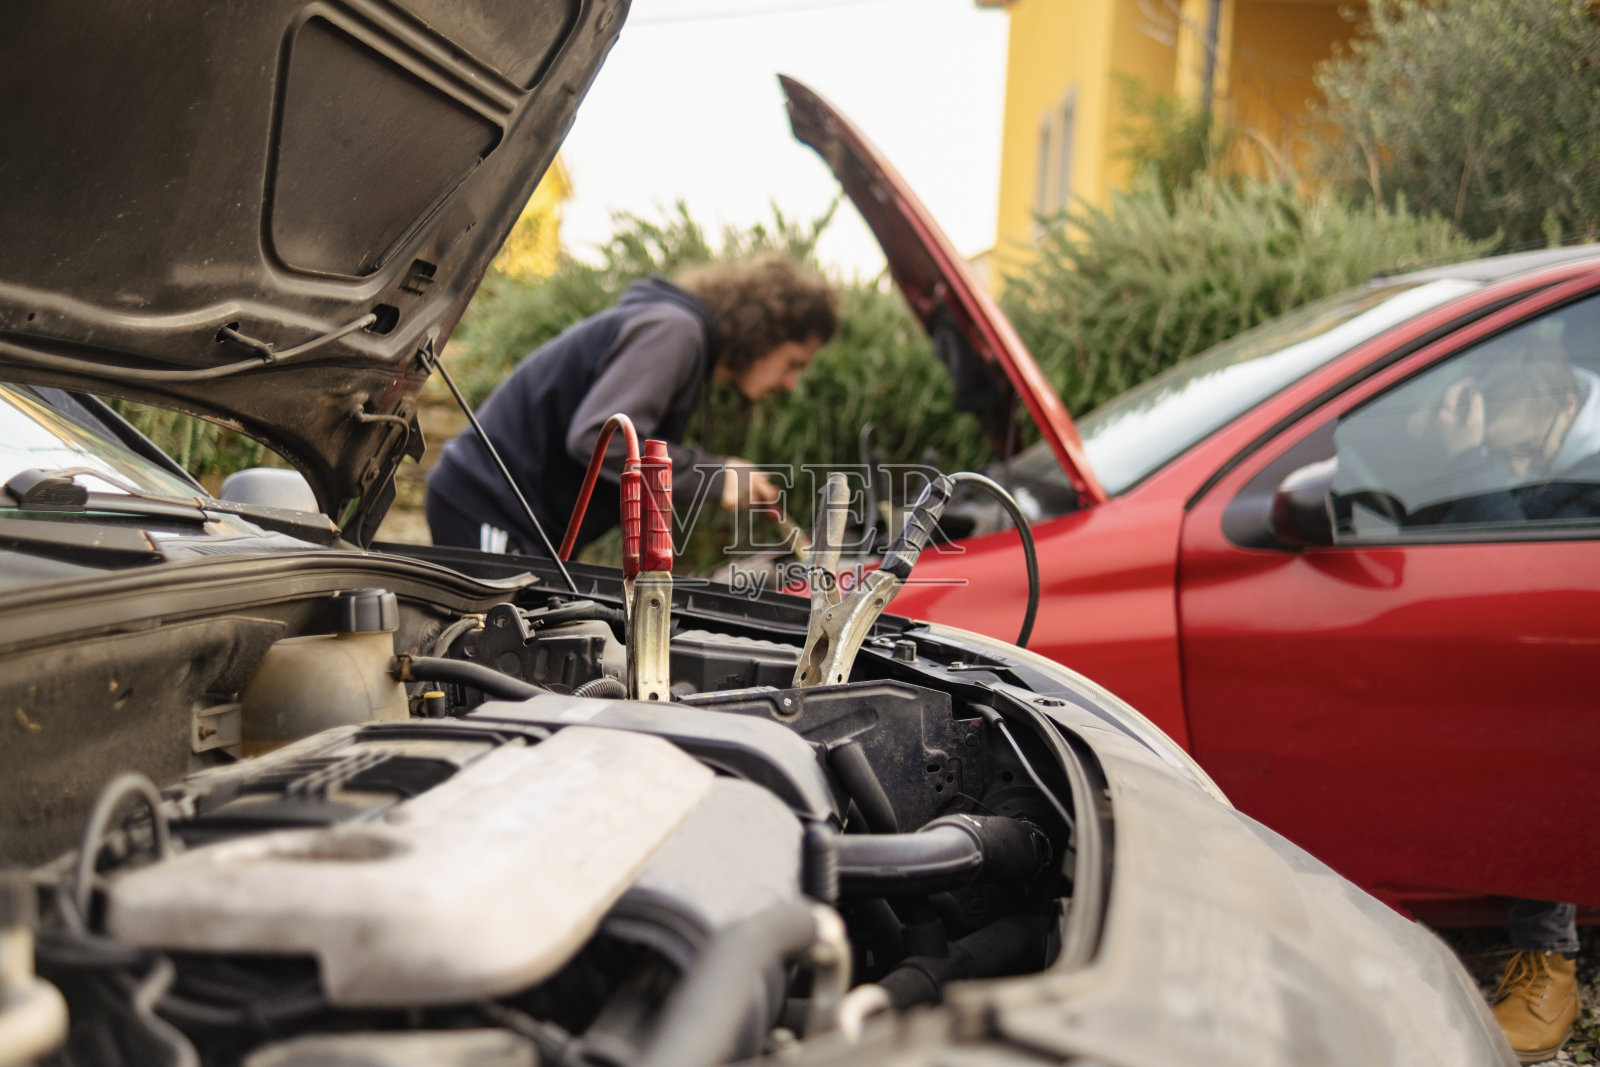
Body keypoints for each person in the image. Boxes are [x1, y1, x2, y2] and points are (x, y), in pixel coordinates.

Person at [425, 255, 837, 556]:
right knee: (489, 664)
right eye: (793, 364)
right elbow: (597, 439)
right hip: (487, 505)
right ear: (763, 333)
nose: (791, 384)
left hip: (523, 523)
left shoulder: (678, 333)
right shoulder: (675, 332)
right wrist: (715, 475)